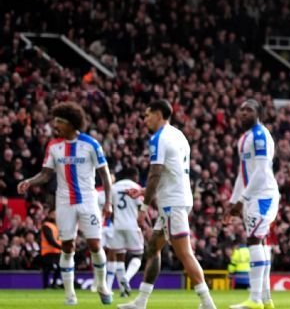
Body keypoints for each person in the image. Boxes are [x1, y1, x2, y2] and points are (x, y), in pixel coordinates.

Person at [117, 99, 217, 309]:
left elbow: (155, 174)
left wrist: (144, 207)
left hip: (172, 203)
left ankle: (208, 303)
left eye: (147, 115)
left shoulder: (158, 138)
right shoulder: (179, 135)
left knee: (184, 253)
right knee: (153, 247)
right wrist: (143, 190)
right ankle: (141, 302)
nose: (145, 120)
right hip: (177, 199)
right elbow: (172, 173)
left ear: (158, 114)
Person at [18, 102, 115, 305]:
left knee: (95, 244)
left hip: (88, 201)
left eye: (59, 121)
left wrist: (108, 202)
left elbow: (105, 174)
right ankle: (69, 294)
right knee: (67, 246)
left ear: (71, 123)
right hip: (64, 203)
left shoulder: (91, 144)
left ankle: (101, 285)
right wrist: (29, 182)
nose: (55, 125)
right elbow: (46, 174)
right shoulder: (54, 146)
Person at [226, 99, 280, 309]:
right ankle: (265, 300)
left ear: (259, 114)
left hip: (263, 196)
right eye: (242, 110)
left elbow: (261, 170)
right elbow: (243, 173)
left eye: (249, 110)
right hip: (252, 196)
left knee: (254, 241)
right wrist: (233, 201)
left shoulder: (260, 136)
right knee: (261, 243)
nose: (243, 113)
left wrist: (242, 200)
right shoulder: (244, 138)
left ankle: (255, 299)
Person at [104, 167, 144, 297]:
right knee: (138, 255)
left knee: (120, 256)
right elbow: (142, 208)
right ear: (134, 176)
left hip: (117, 225)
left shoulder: (114, 187)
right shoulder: (136, 187)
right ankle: (126, 278)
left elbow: (110, 208)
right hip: (132, 225)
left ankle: (123, 290)